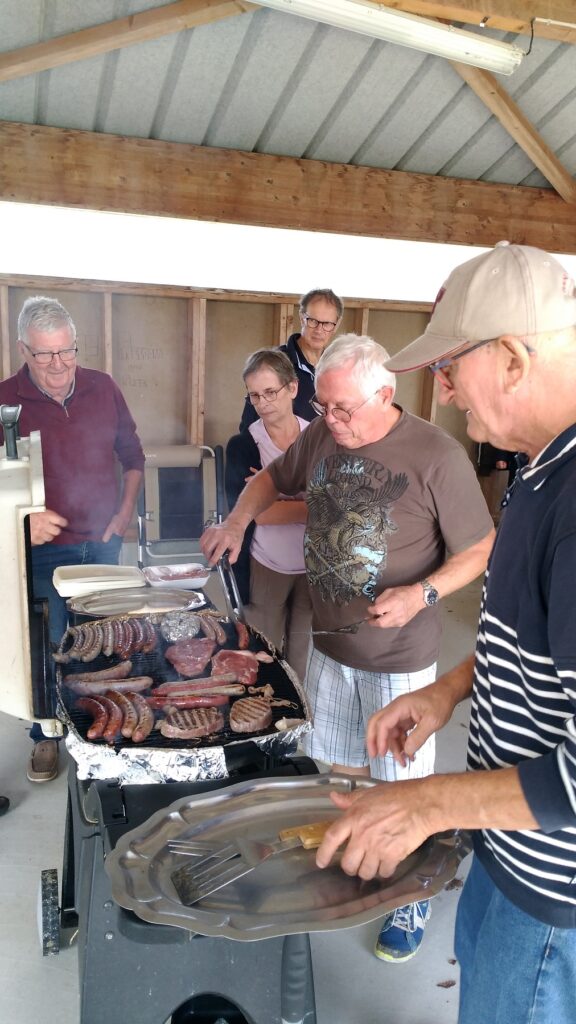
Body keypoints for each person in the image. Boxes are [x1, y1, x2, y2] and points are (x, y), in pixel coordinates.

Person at [313, 243, 576, 1024]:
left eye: (451, 368)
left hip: (552, 898)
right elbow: (527, 636)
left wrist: (425, 805)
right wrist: (445, 692)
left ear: (514, 359)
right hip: (501, 847)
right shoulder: (537, 469)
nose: (447, 393)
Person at [202, 332, 494, 962]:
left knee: (401, 785)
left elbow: (480, 546)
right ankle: (353, 867)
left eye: (341, 410)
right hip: (331, 650)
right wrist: (235, 521)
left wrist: (424, 594)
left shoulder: (436, 454)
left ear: (383, 395)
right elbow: (273, 479)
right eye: (324, 407)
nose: (327, 421)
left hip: (399, 662)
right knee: (339, 771)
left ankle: (410, 899)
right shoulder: (323, 434)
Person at [0, 296, 144, 784]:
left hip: (103, 543)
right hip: (42, 554)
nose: (59, 365)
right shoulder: (5, 402)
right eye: (44, 355)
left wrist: (125, 511)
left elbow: (133, 455)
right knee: (49, 646)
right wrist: (21, 521)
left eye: (67, 351)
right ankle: (46, 737)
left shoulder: (103, 388)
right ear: (23, 349)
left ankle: (101, 728)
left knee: (106, 644)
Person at [226, 349, 312, 681]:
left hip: (311, 565)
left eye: (270, 392)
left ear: (293, 388)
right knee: (263, 655)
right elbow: (256, 516)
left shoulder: (319, 437)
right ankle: (267, 724)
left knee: (302, 658)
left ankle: (296, 726)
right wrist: (309, 501)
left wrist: (271, 496)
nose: (263, 403)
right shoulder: (243, 446)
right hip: (265, 565)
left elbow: (335, 508)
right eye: (255, 396)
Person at [238, 288, 343, 430]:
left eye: (327, 324)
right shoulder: (273, 366)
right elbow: (249, 428)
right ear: (301, 317)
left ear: (337, 324)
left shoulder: (337, 368)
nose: (319, 330)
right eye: (313, 321)